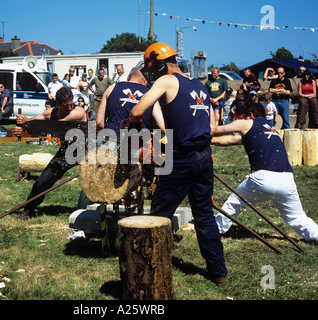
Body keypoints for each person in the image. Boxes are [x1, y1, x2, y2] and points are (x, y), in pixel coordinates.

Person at [130, 43, 228, 286]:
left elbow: (137, 109)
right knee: (204, 215)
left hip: (181, 156)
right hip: (204, 156)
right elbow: (212, 127)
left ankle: (148, 269)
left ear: (160, 64)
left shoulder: (166, 81)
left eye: (151, 69)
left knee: (159, 215)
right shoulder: (201, 86)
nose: (151, 75)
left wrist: (132, 122)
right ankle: (219, 273)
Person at [212, 103, 318, 244]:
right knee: (297, 217)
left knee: (234, 203)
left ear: (250, 114)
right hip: (287, 179)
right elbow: (231, 140)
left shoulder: (247, 123)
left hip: (263, 177)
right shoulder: (270, 129)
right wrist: (210, 141)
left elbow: (216, 130)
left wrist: (198, 136)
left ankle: (215, 230)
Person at [16, 86, 87, 220]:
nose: (70, 107)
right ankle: (28, 209)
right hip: (67, 152)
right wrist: (23, 124)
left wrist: (29, 122)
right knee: (42, 182)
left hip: (87, 150)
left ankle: (91, 213)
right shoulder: (51, 113)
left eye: (72, 104)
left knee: (94, 181)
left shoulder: (78, 112)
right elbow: (37, 120)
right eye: (66, 106)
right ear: (58, 104)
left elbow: (58, 125)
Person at [96, 66, 165, 137]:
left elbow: (99, 123)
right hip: (139, 144)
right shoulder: (151, 94)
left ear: (128, 78)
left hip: (113, 142)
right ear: (144, 80)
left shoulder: (111, 88)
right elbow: (162, 128)